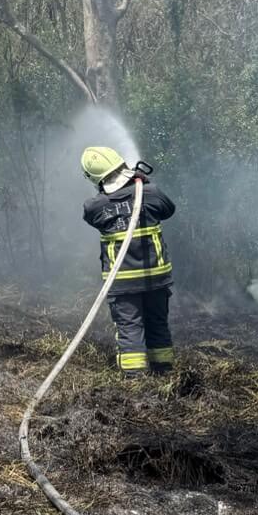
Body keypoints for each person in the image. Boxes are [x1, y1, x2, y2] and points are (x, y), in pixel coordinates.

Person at [80, 146, 177, 377]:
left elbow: (94, 217)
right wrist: (143, 183)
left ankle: (136, 382)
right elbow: (168, 210)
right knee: (158, 324)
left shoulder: (95, 206)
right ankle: (164, 374)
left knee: (129, 328)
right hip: (156, 277)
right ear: (123, 165)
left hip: (122, 282)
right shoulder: (151, 193)